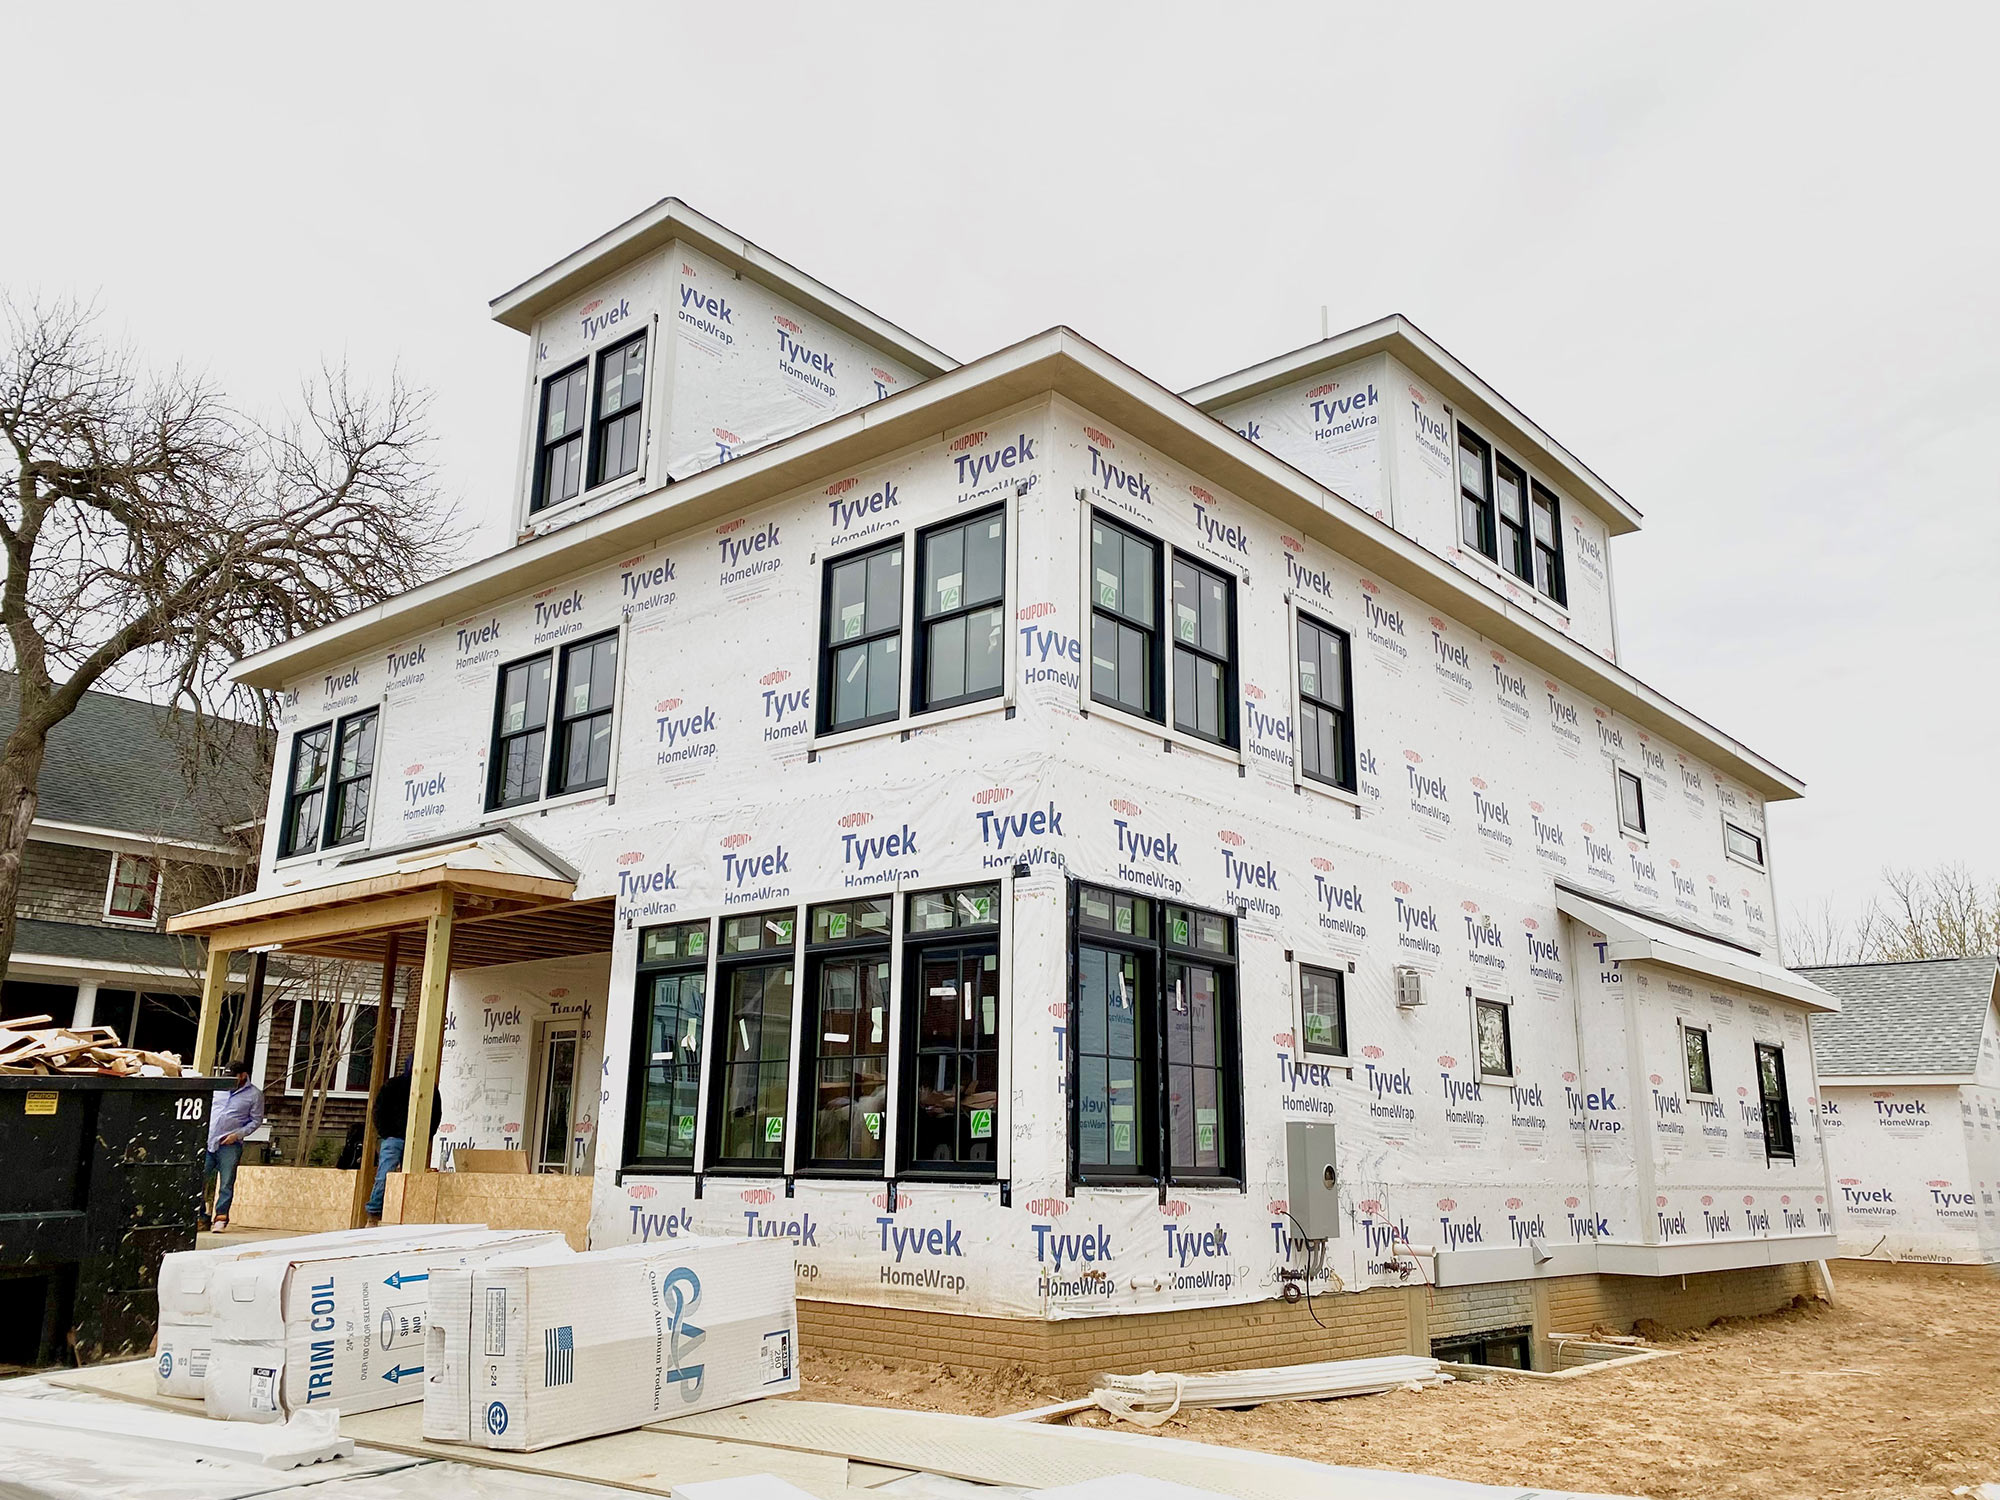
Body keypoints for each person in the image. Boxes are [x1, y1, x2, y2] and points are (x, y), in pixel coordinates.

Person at [366, 1063, 441, 1225]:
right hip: (394, 1138)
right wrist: (387, 1133)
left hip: (416, 1139)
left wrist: (427, 1136)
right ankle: (374, 1213)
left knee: (413, 1178)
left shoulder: (430, 1089)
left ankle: (408, 1214)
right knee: (385, 1175)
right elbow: (379, 1110)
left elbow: (436, 1113)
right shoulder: (393, 1085)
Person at [204, 1061, 264, 1232]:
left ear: (243, 1075)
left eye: (233, 1076)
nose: (229, 1080)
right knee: (199, 1179)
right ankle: (201, 1217)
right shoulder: (218, 1089)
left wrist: (237, 1135)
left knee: (226, 1182)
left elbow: (256, 1120)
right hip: (209, 1140)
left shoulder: (254, 1095)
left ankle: (221, 1218)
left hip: (230, 1143)